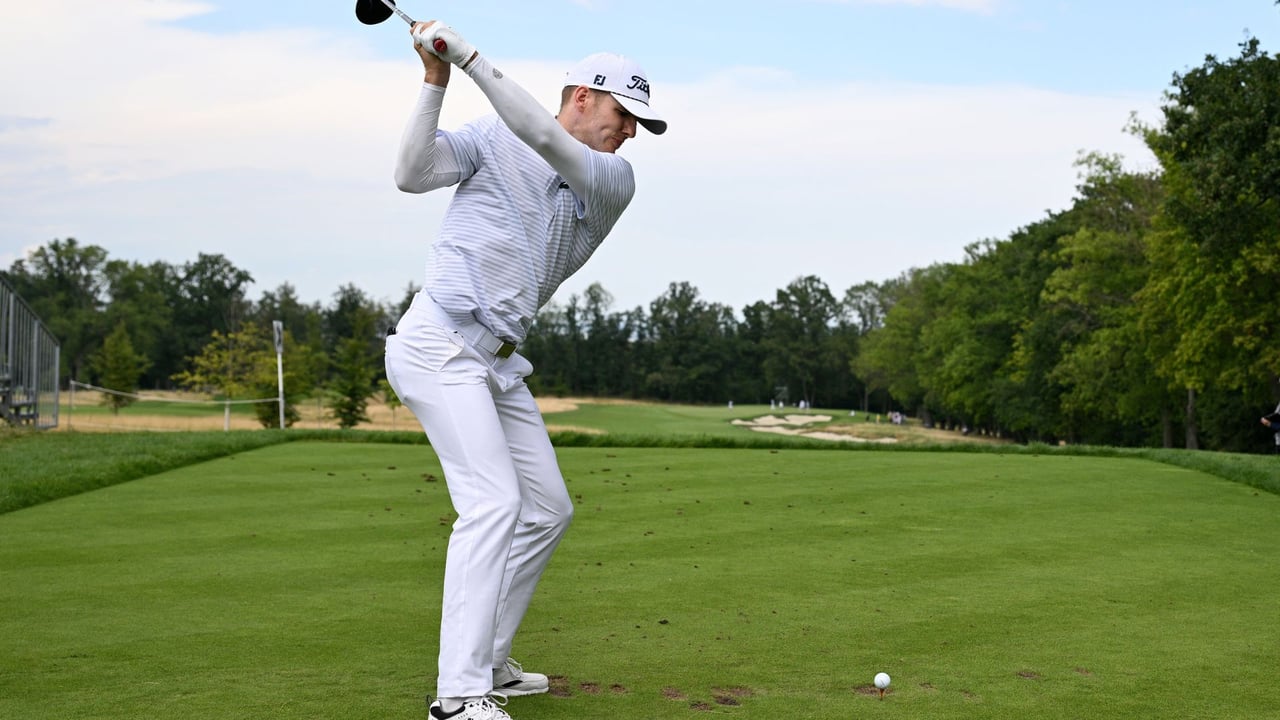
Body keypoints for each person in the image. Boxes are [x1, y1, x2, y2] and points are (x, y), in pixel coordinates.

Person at [381, 18, 666, 720]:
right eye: (624, 115)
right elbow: (411, 174)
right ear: (581, 96)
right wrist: (435, 81)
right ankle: (457, 696)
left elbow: (542, 135)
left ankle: (490, 661)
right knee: (494, 504)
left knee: (547, 509)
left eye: (639, 124)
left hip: (496, 364)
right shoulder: (490, 134)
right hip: (438, 343)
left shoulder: (611, 180)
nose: (630, 132)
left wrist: (470, 55)